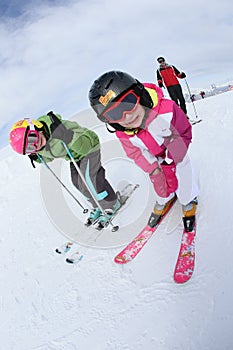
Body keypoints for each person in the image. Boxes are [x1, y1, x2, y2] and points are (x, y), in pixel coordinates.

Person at [88, 71, 199, 231]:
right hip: (154, 154)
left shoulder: (167, 111)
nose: (127, 116)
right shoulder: (123, 132)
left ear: (140, 94)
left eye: (128, 102)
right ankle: (164, 197)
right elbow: (135, 153)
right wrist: (153, 168)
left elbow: (183, 132)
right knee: (157, 178)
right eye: (115, 113)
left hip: (175, 148)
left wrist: (172, 158)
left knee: (182, 168)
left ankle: (188, 197)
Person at [9, 111, 121, 225]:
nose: (34, 145)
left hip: (89, 147)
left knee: (90, 179)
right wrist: (37, 158)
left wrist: (69, 137)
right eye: (28, 148)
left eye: (32, 139)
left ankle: (111, 202)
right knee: (77, 183)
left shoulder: (58, 128)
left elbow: (86, 146)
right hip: (74, 156)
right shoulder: (40, 147)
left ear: (37, 128)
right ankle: (97, 205)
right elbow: (49, 157)